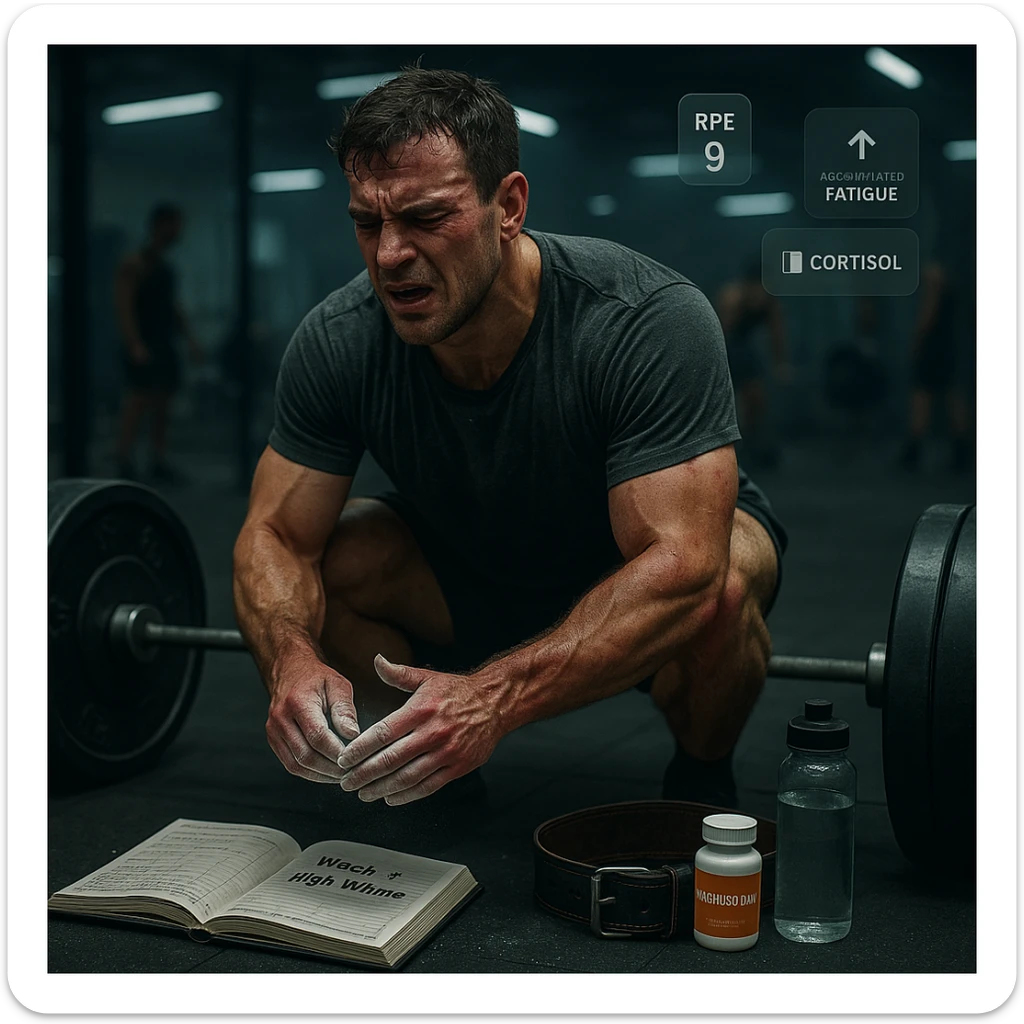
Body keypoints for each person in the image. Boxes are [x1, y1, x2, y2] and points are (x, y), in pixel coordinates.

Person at [232, 67, 789, 810]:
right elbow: (272, 534)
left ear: (510, 207)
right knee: (332, 562)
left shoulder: (643, 318)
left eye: (428, 218)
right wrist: (291, 659)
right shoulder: (340, 340)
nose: (390, 254)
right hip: (470, 563)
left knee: (722, 581)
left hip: (627, 574)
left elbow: (683, 567)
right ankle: (427, 761)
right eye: (368, 222)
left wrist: (493, 698)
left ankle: (700, 766)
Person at [113, 203, 203, 482]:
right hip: (145, 342)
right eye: (174, 224)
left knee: (163, 403)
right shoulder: (134, 263)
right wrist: (134, 343)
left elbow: (173, 306)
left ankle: (157, 460)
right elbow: (123, 305)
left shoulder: (164, 266)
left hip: (163, 342)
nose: (178, 232)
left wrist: (190, 339)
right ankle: (124, 459)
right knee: (138, 401)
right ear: (160, 225)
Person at [898, 260, 972, 473]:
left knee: (922, 395)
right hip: (946, 343)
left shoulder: (933, 274)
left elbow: (928, 310)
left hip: (933, 345)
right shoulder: (951, 276)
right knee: (950, 394)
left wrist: (917, 338)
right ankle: (960, 449)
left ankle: (914, 449)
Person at [715, 263, 790, 468]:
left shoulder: (769, 300)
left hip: (744, 350)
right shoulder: (732, 296)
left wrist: (780, 363)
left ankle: (751, 445)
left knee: (757, 400)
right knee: (728, 402)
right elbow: (720, 333)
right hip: (725, 347)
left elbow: (777, 334)